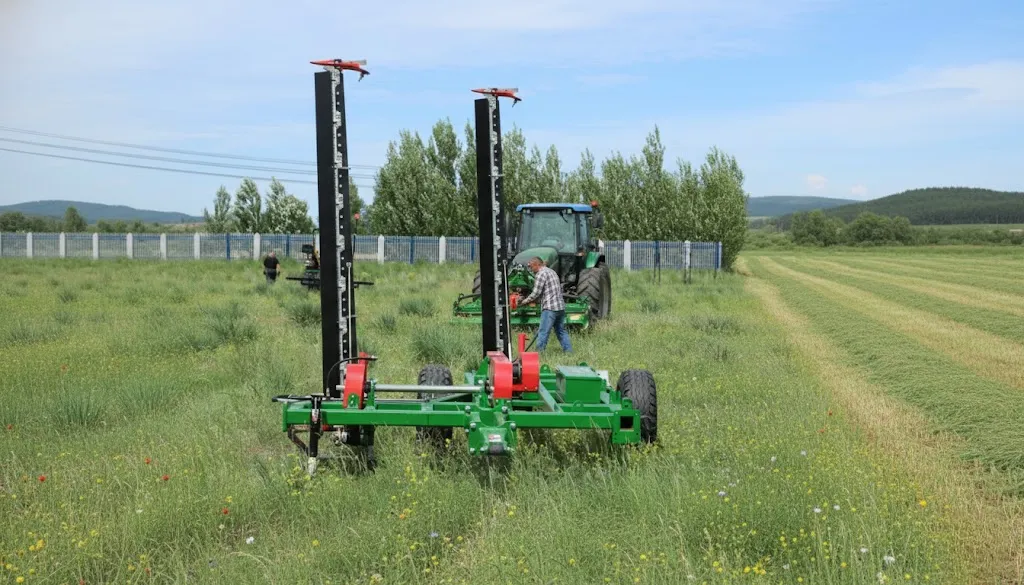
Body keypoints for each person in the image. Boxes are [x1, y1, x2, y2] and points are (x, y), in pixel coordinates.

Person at [520, 256, 572, 353]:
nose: (531, 270)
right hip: (560, 307)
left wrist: (524, 301)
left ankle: (539, 353)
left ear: (537, 265)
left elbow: (536, 293)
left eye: (531, 267)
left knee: (543, 332)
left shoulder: (540, 274)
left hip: (550, 308)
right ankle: (569, 351)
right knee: (561, 331)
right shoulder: (551, 272)